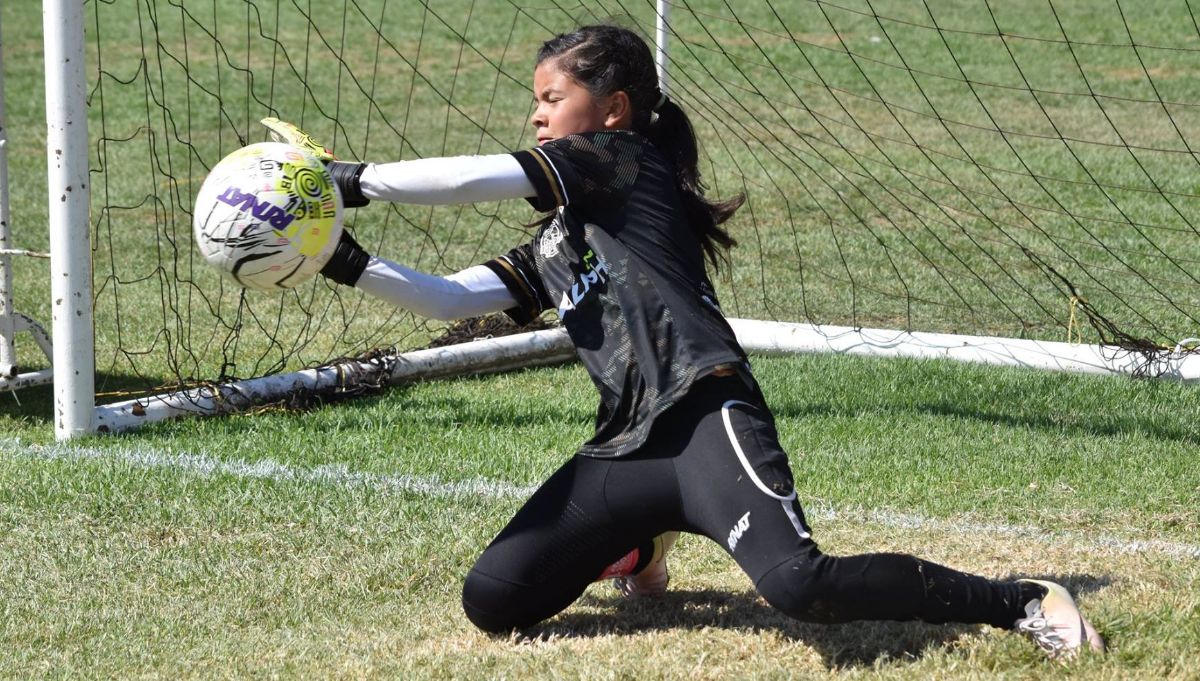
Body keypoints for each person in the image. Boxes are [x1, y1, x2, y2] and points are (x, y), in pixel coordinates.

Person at [263, 24, 1104, 660]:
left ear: (613, 110)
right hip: (625, 450)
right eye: (537, 101)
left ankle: (1022, 599)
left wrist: (355, 181)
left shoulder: (622, 161)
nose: (537, 113)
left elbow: (487, 174)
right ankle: (639, 543)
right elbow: (447, 297)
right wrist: (339, 257)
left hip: (703, 416)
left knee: (799, 587)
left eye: (551, 97)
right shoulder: (557, 238)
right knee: (493, 600)